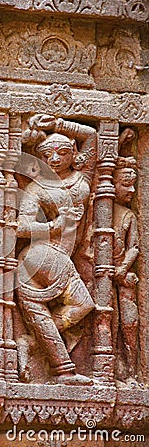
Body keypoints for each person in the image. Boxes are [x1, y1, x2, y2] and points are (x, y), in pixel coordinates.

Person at [16, 114, 96, 385]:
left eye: (63, 153)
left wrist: (58, 125)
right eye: (47, 154)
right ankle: (58, 364)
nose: (55, 159)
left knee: (77, 306)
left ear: (74, 154)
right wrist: (55, 225)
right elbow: (20, 227)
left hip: (58, 257)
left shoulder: (81, 180)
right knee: (84, 304)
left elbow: (94, 138)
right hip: (43, 254)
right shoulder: (37, 187)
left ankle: (41, 347)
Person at [113, 156, 139, 383]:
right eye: (125, 184)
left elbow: (134, 248)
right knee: (108, 322)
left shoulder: (127, 215)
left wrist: (122, 269)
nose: (131, 190)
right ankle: (108, 371)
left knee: (130, 322)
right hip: (101, 276)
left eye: (133, 184)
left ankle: (130, 371)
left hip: (122, 277)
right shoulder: (97, 211)